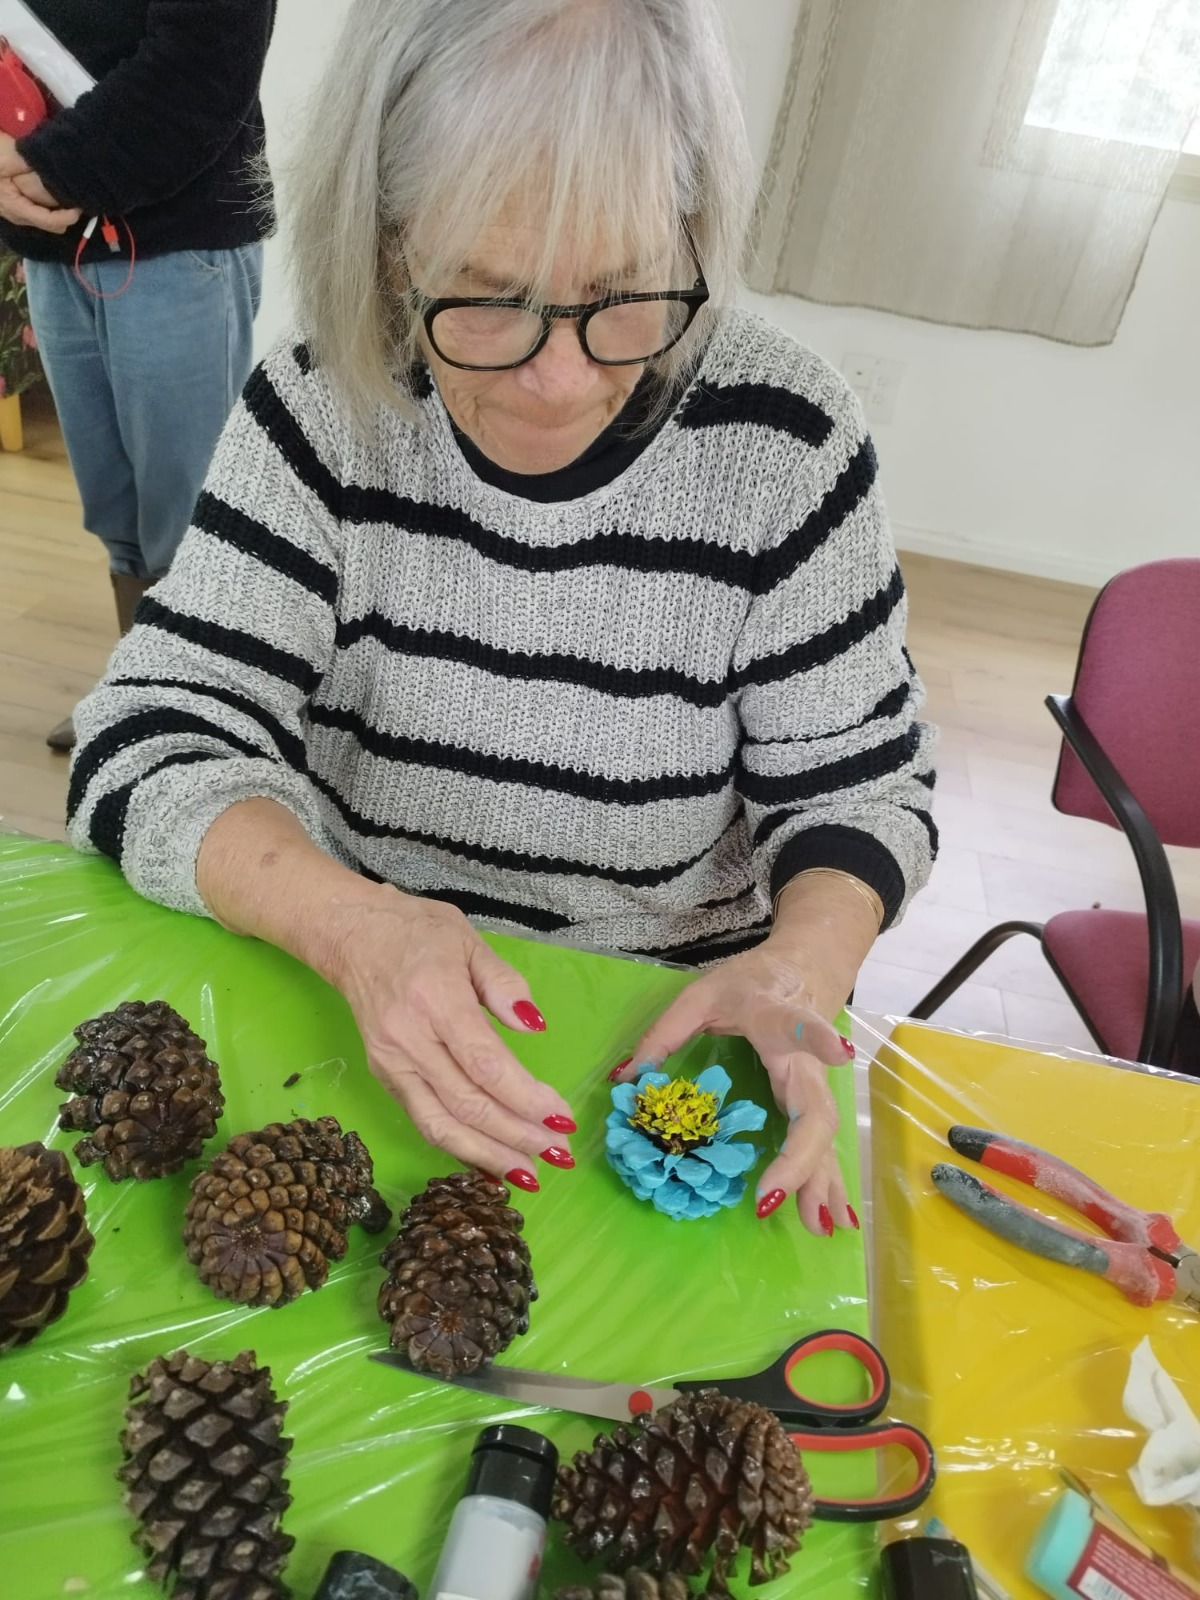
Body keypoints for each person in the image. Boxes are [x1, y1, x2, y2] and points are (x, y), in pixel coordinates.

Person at [66, 0, 938, 1234]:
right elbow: (143, 739)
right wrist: (357, 925)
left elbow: (860, 795)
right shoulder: (321, 406)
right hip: (346, 1003)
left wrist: (798, 968)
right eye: (486, 299)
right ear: (386, 250)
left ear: (693, 231)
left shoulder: (787, 441)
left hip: (664, 1052)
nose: (560, 380)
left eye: (625, 292)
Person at [0, 0, 276, 750]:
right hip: (54, 239)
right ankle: (141, 690)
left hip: (177, 235)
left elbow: (203, 67)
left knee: (190, 517)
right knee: (116, 510)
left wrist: (45, 167)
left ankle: (204, 717)